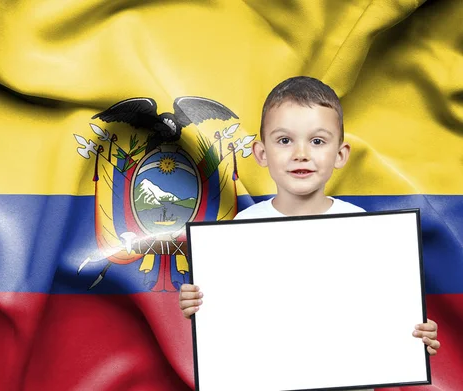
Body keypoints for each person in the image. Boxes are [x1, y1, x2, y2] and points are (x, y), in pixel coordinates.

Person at [179, 76, 441, 356]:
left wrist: (414, 334)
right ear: (261, 153)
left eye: (317, 140)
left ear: (340, 155)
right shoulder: (241, 229)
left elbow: (386, 308)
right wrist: (197, 303)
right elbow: (231, 312)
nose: (301, 154)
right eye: (284, 140)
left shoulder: (363, 227)